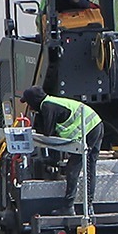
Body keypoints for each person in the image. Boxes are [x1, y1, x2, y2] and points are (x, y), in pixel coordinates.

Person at [19, 84, 103, 215]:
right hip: (96, 124)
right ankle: (89, 206)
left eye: (29, 103)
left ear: (34, 101)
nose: (29, 107)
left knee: (73, 168)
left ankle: (68, 207)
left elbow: (48, 134)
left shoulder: (47, 107)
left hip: (89, 129)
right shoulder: (51, 103)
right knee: (90, 167)